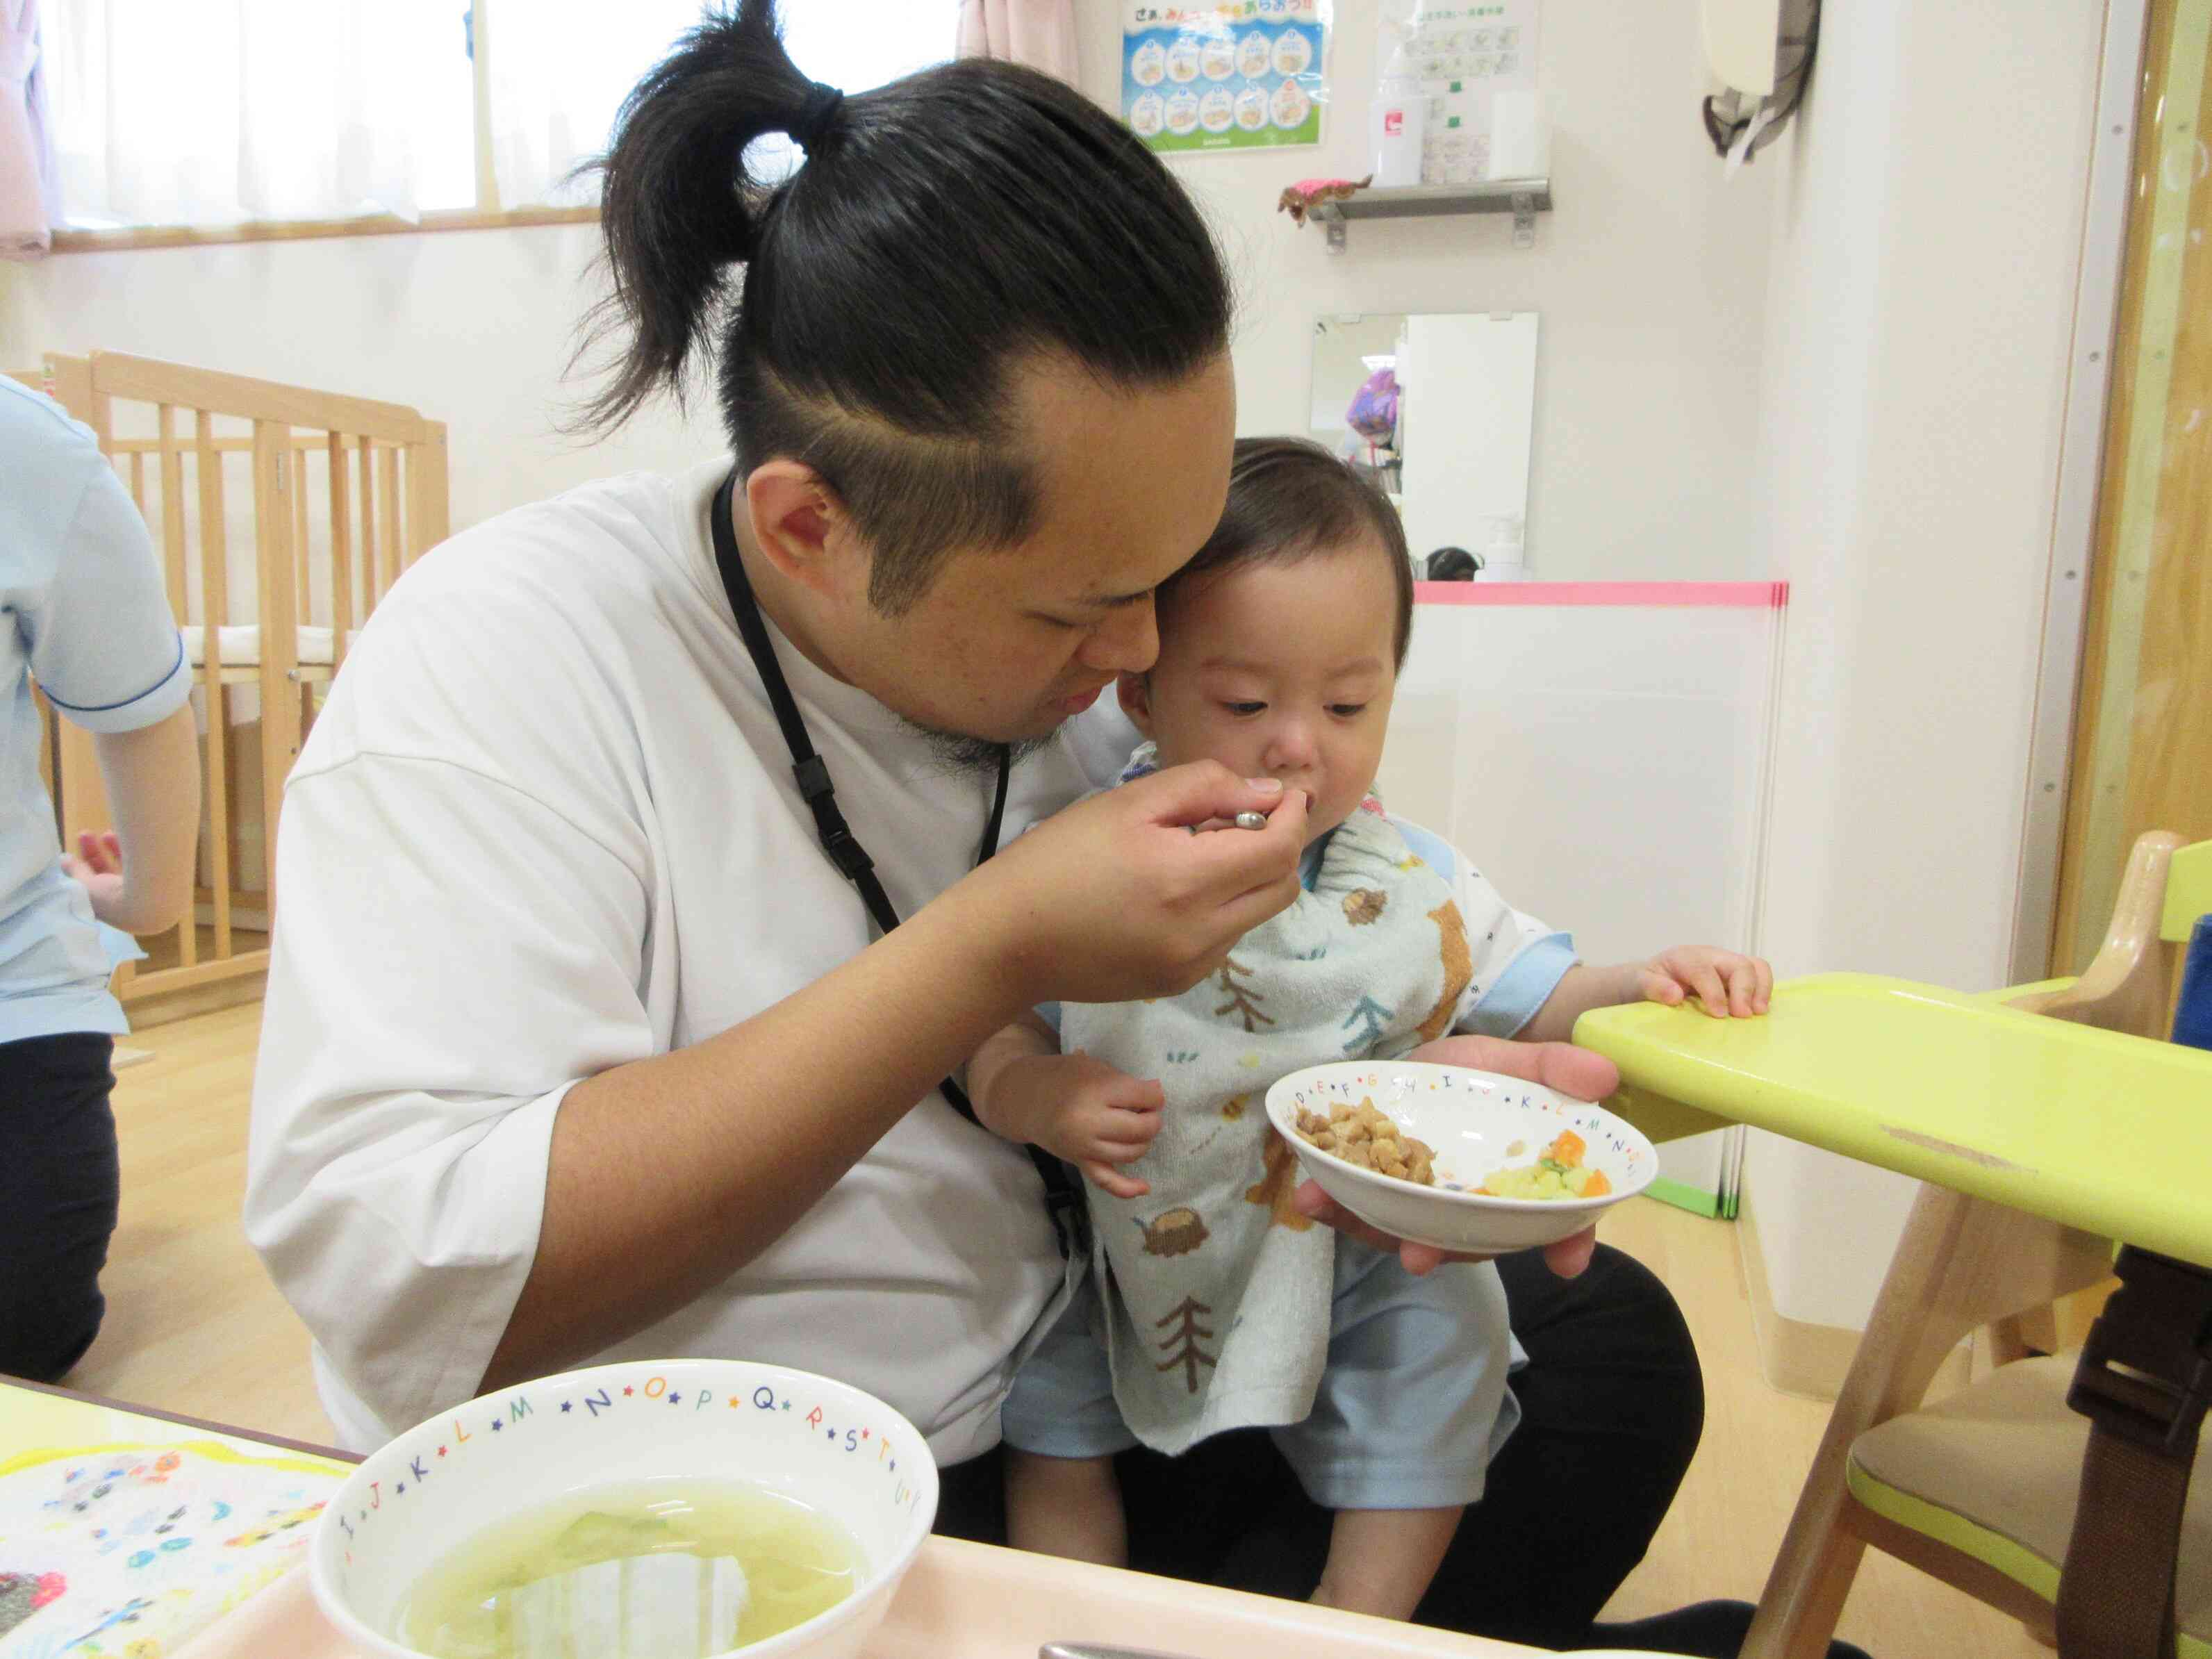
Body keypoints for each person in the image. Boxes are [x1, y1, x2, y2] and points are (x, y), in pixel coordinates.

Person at [244, 3, 1724, 1647]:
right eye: (1081, 612)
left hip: (1110, 1309)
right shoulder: (513, 657)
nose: (1142, 663)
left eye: (1163, 587)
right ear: (808, 528)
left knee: (1608, 1355)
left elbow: (1317, 964)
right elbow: (407, 1286)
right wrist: (991, 948)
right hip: (781, 1479)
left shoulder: (1110, 660)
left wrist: (1383, 1126)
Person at [968, 438, 1770, 1619]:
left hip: (1355, 1246)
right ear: (1143, 687)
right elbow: (981, 1023)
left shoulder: (1406, 880)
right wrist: (1036, 1098)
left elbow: (1538, 995)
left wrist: (1645, 980)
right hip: (1132, 1239)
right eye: (1245, 703)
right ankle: (1069, 1625)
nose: (1301, 742)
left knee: (1452, 1343)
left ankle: (1358, 1624)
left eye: (1348, 703)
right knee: (1052, 1422)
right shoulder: (1091, 859)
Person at [1, 374, 200, 1382]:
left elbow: (137, 707)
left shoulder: (24, 448)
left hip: (11, 987)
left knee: (27, 1329)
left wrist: (142, 900)